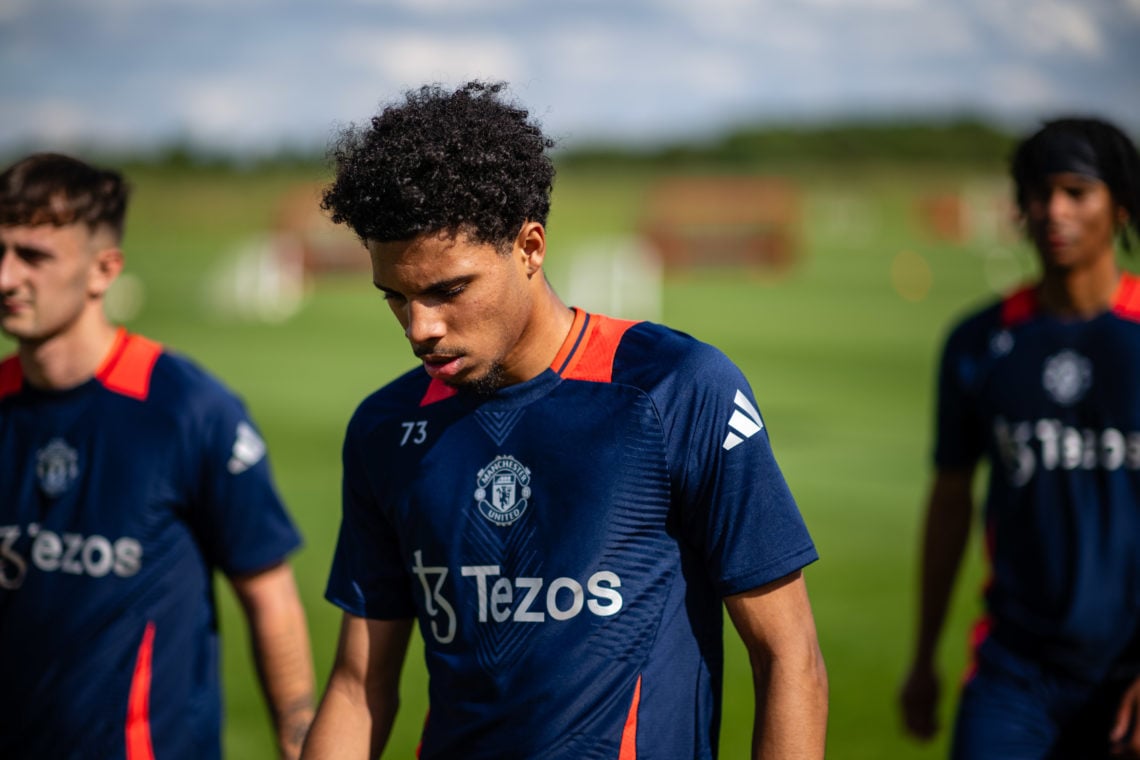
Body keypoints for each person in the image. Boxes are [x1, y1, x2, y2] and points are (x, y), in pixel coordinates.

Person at [300, 80, 828, 760]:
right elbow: (358, 686)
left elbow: (788, 657)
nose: (420, 329)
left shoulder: (675, 389)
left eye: (448, 290)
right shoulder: (386, 427)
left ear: (530, 247)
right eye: (395, 298)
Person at [0, 153, 316, 759]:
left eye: (34, 256)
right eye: (0, 251)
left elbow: (269, 593)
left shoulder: (189, 409)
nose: (6, 277)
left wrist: (297, 741)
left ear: (103, 270)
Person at [900, 117, 1140, 758]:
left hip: (1129, 673)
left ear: (1121, 204)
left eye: (1076, 191)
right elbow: (951, 499)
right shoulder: (979, 343)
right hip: (1015, 673)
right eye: (1038, 192)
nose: (1053, 210)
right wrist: (923, 657)